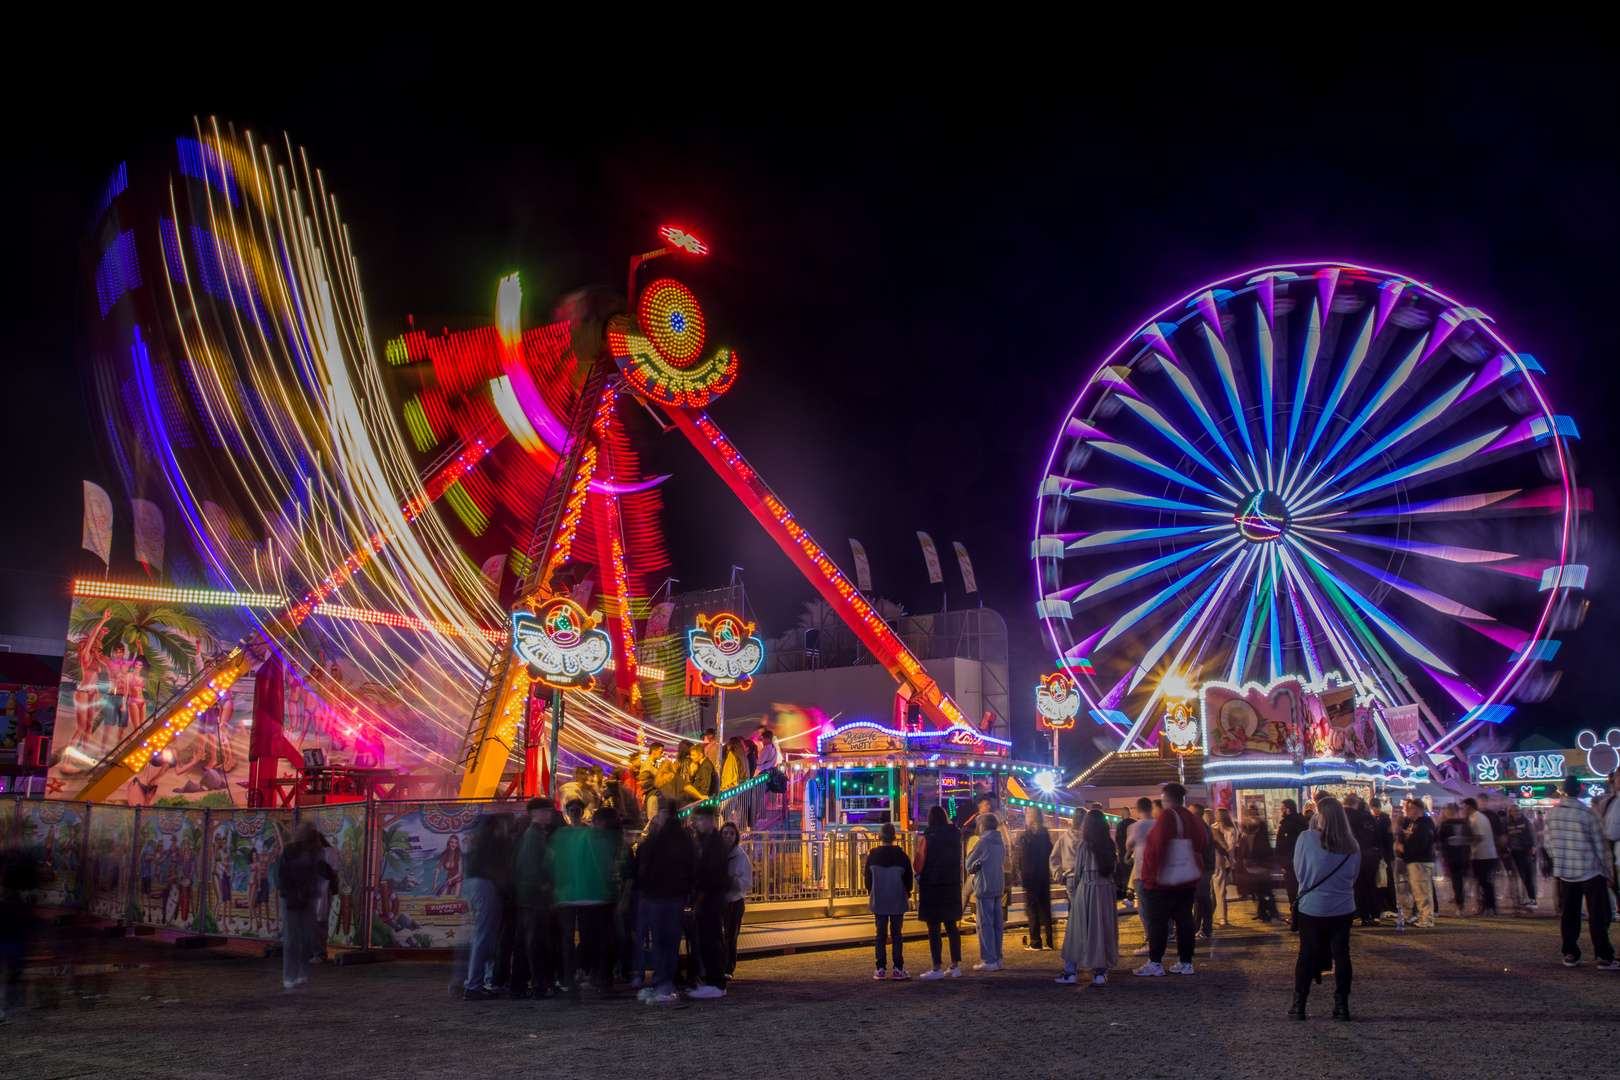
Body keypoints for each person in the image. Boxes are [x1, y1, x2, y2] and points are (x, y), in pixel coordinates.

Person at [1288, 796, 1361, 1021]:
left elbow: (1299, 872)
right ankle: (1342, 1004)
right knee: (1342, 955)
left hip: (1314, 906)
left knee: (1307, 954)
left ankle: (1299, 1004)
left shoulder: (1306, 838)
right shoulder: (1352, 844)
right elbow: (1353, 876)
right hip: (1342, 906)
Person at [1135, 782, 1208, 977]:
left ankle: (1156, 962)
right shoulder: (1192, 817)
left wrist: (1156, 871)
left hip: (1163, 880)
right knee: (1184, 920)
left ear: (1165, 797)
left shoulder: (1167, 815)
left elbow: (1158, 845)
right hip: (1187, 878)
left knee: (1157, 921)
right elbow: (1202, 842)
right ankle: (1185, 962)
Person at [1544, 776, 1617, 969]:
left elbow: (1547, 842)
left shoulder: (1551, 814)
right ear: (1580, 791)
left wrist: (1557, 857)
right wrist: (1608, 872)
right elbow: (1600, 845)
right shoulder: (1588, 814)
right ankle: (1603, 956)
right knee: (1598, 915)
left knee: (1569, 914)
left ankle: (1570, 953)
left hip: (1565, 870)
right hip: (1590, 869)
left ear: (1563, 790)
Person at [546, 799, 615, 994]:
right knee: (569, 938)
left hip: (578, 892)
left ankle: (576, 971)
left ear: (582, 812)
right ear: (568, 812)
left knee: (584, 937)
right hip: (573, 892)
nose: (575, 812)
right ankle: (572, 975)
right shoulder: (566, 834)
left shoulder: (583, 834)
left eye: (577, 809)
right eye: (572, 810)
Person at [1055, 808, 1119, 986]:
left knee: (1077, 930)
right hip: (1106, 889)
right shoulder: (1109, 844)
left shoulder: (1084, 844)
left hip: (1087, 887)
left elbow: (1078, 871)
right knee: (1103, 929)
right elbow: (1113, 868)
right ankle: (1100, 971)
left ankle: (1070, 971)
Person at [460, 812, 515, 999]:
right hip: (485, 885)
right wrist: (503, 878)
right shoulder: (493, 839)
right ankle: (475, 984)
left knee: (487, 935)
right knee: (484, 936)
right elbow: (488, 866)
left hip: (477, 885)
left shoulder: (485, 838)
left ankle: (483, 981)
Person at [277, 823, 335, 991]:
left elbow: (320, 870)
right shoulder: (289, 851)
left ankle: (302, 973)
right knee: (292, 938)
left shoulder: (315, 852)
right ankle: (290, 976)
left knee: (307, 937)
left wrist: (332, 877)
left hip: (308, 898)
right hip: (290, 899)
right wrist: (293, 891)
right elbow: (281, 875)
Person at [513, 797, 556, 999]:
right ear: (535, 813)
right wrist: (545, 886)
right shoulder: (535, 836)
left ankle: (520, 986)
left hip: (528, 896)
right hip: (533, 898)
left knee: (526, 942)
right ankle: (538, 985)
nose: (549, 813)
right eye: (545, 810)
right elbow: (532, 866)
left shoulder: (534, 834)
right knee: (534, 943)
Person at [916, 805, 964, 979]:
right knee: (952, 926)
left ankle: (936, 967)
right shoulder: (955, 836)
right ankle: (955, 966)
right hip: (951, 884)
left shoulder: (927, 838)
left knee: (933, 926)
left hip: (932, 885)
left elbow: (919, 863)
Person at [689, 805, 729, 999]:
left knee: (710, 938)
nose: (695, 825)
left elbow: (711, 874)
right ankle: (714, 980)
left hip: (711, 896)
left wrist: (701, 897)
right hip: (711, 895)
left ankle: (714, 981)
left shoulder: (712, 843)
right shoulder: (708, 841)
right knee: (711, 938)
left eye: (697, 820)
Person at [866, 821, 914, 979]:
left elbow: (868, 880)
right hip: (896, 899)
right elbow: (908, 880)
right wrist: (907, 894)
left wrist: (871, 892)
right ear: (894, 837)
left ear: (880, 837)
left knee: (880, 934)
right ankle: (898, 969)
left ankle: (880, 969)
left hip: (879, 899)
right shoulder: (902, 856)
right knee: (897, 934)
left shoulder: (873, 856)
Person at [965, 814, 1007, 971]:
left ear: (983, 826)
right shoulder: (1000, 841)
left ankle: (989, 960)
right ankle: (998, 957)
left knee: (984, 925)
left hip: (984, 886)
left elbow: (969, 864)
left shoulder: (982, 842)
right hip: (997, 885)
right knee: (997, 924)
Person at [1019, 808, 1055, 951]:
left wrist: (1024, 876)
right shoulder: (1045, 834)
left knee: (1032, 908)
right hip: (1043, 874)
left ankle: (1035, 941)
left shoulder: (1027, 836)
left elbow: (1025, 859)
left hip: (1031, 876)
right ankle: (1050, 941)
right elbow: (1050, 852)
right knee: (1046, 909)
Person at [1398, 799, 1437, 928]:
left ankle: (1427, 918)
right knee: (1419, 891)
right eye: (1408, 809)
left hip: (1420, 861)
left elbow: (1421, 845)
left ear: (1420, 810)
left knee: (1422, 891)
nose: (1409, 811)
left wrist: (1405, 850)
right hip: (1415, 861)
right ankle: (1422, 916)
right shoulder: (1415, 824)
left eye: (1412, 808)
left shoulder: (1422, 825)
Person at [1125, 797, 1156, 955]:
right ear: (1151, 809)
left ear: (1137, 810)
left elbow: (1129, 846)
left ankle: (1151, 942)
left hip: (1141, 872)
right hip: (1157, 872)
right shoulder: (1158, 825)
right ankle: (1161, 938)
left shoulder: (1135, 826)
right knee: (1157, 908)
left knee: (1144, 909)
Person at [721, 822, 751, 982]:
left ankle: (728, 968)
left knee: (731, 936)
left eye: (731, 833)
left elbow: (745, 881)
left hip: (735, 900)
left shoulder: (740, 857)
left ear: (736, 836)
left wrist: (731, 881)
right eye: (725, 833)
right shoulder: (718, 855)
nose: (728, 836)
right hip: (720, 899)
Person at [1344, 795, 1380, 926]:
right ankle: (1371, 914)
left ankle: (1360, 913)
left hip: (1353, 854)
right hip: (1369, 854)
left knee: (1357, 885)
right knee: (1369, 884)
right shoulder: (1365, 817)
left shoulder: (1344, 815)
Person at [1462, 798, 1499, 915]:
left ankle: (1489, 905)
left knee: (1484, 882)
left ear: (1470, 807)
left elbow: (1479, 836)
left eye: (1465, 808)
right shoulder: (1479, 817)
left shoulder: (1476, 818)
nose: (1464, 810)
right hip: (1486, 854)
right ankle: (1486, 905)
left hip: (1483, 854)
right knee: (1483, 881)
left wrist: (1465, 842)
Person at [1275, 800, 1307, 929]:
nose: (1281, 811)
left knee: (1292, 890)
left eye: (1282, 808)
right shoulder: (1300, 823)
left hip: (1290, 863)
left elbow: (1285, 845)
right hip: (1297, 861)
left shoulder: (1289, 825)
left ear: (1288, 810)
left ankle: (1296, 915)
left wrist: (1283, 861)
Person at [1438, 804, 1473, 916]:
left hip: (1456, 856)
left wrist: (1444, 855)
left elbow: (1440, 842)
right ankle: (1460, 903)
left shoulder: (1447, 825)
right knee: (1459, 880)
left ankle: (1460, 903)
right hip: (1458, 856)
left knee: (1457, 880)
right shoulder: (1461, 823)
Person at [1242, 811, 1277, 923]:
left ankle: (1267, 913)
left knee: (1263, 892)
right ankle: (1265, 912)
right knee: (1263, 892)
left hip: (1259, 867)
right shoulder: (1255, 836)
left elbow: (1256, 851)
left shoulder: (1257, 836)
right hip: (1258, 867)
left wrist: (1254, 861)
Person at [1503, 803, 1539, 909]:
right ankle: (1520, 898)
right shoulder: (1508, 824)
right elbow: (1505, 837)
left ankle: (1532, 898)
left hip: (1525, 851)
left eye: (1518, 810)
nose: (1517, 813)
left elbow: (1532, 835)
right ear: (1510, 813)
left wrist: (1533, 847)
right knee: (1517, 876)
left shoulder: (1526, 822)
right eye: (1514, 811)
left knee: (1527, 876)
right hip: (1513, 852)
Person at [1193, 808, 1217, 940]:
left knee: (1203, 898)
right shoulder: (1203, 827)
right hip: (1204, 866)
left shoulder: (1202, 828)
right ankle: (1199, 926)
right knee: (1200, 898)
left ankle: (1206, 928)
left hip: (1203, 867)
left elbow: (1200, 848)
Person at [1212, 808, 1236, 928]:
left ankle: (1222, 917)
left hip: (1224, 860)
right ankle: (1215, 915)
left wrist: (1224, 850)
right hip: (1218, 860)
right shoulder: (1214, 827)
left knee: (1220, 888)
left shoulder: (1231, 829)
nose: (1216, 815)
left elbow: (1230, 846)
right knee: (1217, 889)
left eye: (1217, 814)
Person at [720, 736, 751, 825]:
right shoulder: (743, 757)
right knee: (733, 815)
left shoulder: (731, 756)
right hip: (736, 791)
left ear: (730, 745)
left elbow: (729, 774)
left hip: (728, 791)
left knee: (727, 815)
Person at [680, 740, 717, 810]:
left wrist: (700, 799)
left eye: (693, 755)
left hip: (700, 802)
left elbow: (705, 786)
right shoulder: (701, 765)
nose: (691, 757)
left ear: (701, 755)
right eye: (691, 755)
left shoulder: (705, 767)